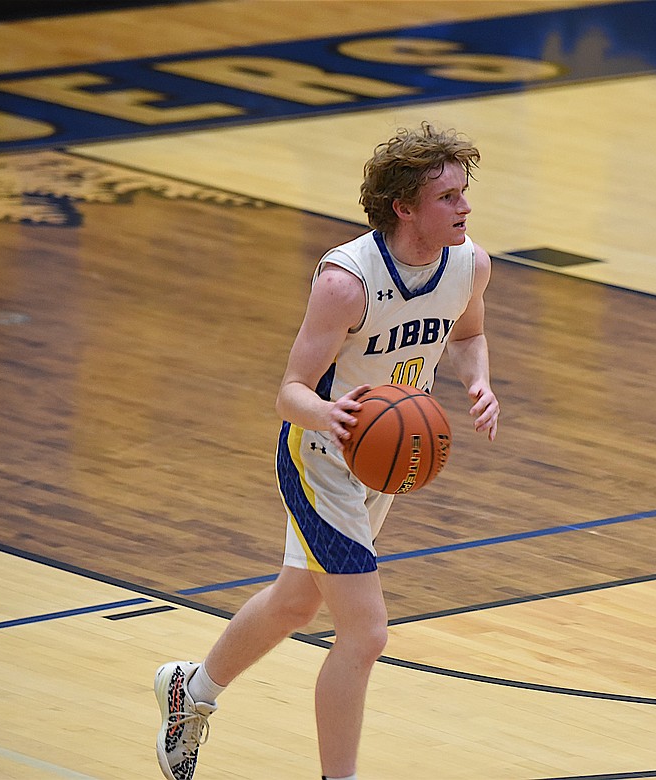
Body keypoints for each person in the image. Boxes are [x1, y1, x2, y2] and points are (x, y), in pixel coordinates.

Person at [153, 122, 500, 780]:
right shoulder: (347, 281)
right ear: (405, 208)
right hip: (322, 457)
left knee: (294, 601)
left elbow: (468, 334)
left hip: (382, 464)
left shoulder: (470, 264)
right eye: (449, 197)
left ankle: (189, 692)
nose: (465, 208)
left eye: (464, 193)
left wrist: (479, 382)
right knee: (365, 635)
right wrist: (331, 412)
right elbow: (289, 393)